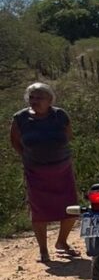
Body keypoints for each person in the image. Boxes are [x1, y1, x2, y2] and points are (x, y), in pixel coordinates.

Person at [9, 82, 78, 262]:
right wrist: (29, 156)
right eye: (31, 97)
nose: (34, 101)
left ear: (50, 100)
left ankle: (61, 242)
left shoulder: (60, 115)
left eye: (39, 97)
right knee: (39, 212)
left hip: (62, 169)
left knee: (71, 209)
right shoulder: (20, 118)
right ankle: (43, 250)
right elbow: (15, 142)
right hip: (36, 172)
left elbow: (69, 136)